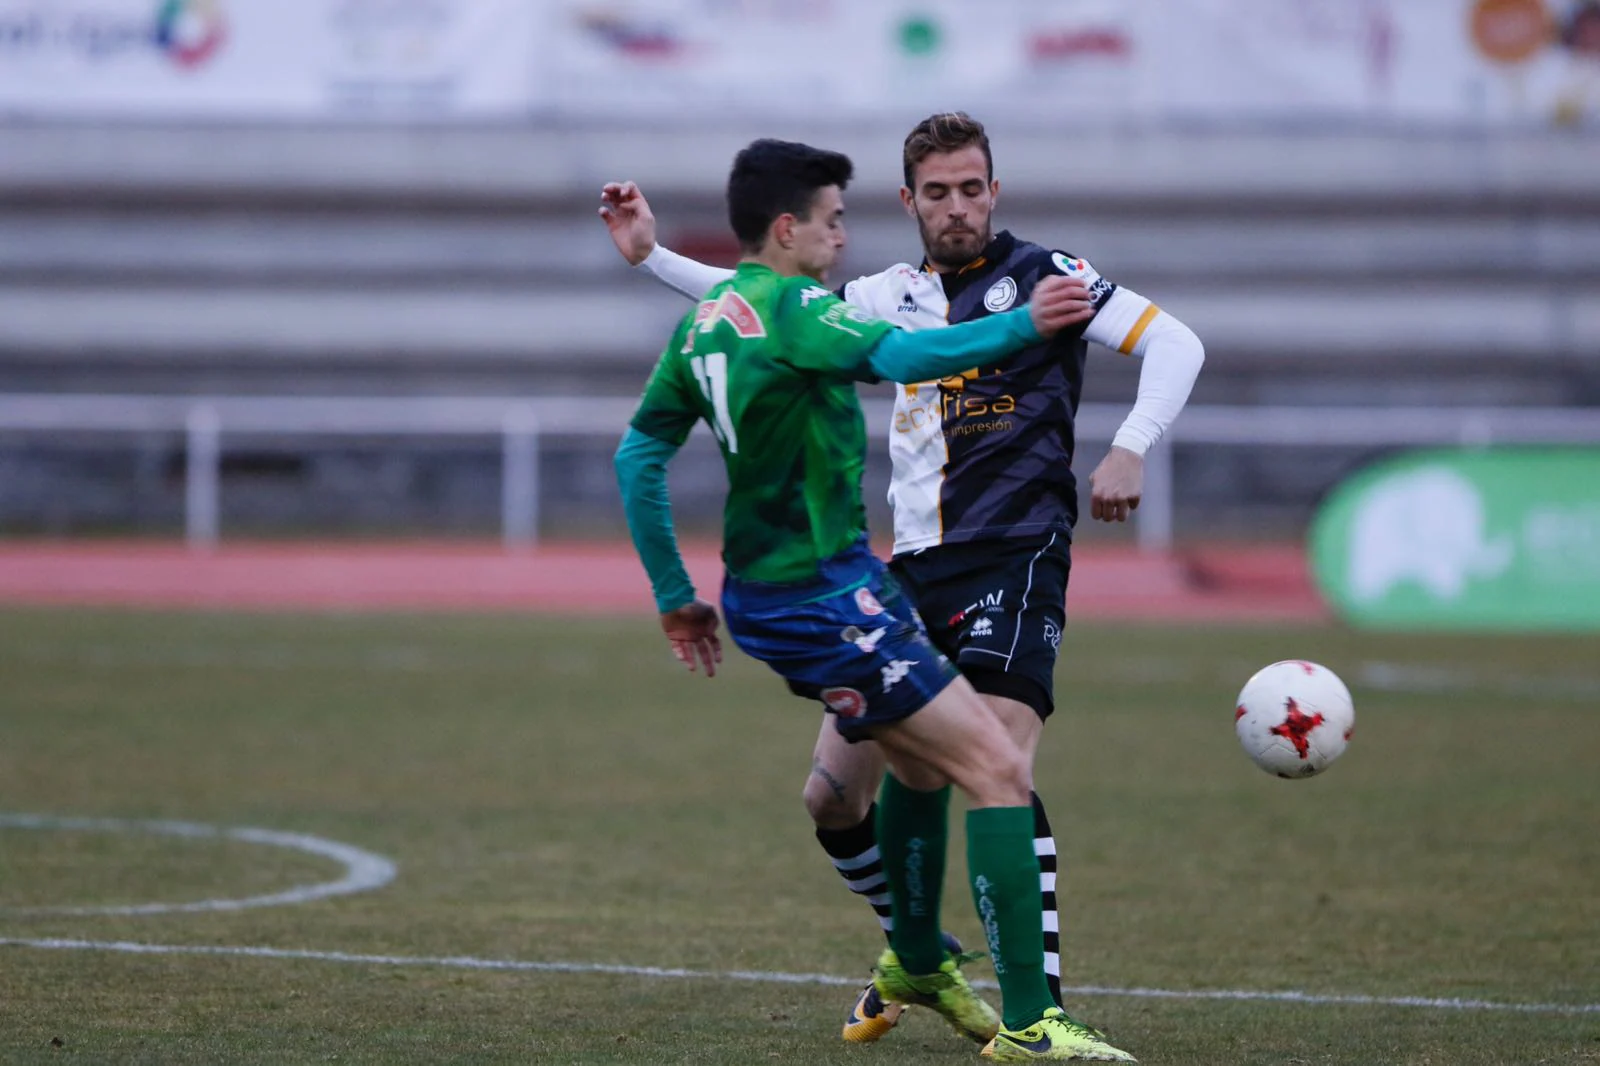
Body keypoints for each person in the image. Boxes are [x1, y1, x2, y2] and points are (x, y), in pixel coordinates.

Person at [600, 112, 1203, 1053]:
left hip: (1014, 551)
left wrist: (1130, 448)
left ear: (994, 191)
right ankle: (914, 957)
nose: (958, 208)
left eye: (973, 189)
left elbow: (1178, 344)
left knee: (996, 763)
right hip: (903, 569)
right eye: (938, 192)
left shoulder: (1052, 275)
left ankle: (1034, 1014)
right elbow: (756, 301)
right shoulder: (882, 295)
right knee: (836, 798)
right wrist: (653, 258)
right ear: (909, 200)